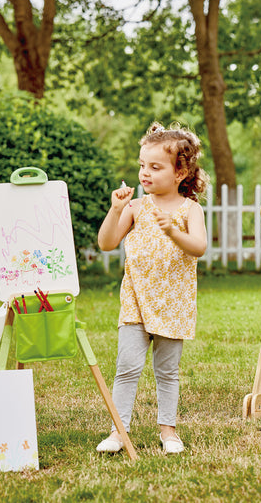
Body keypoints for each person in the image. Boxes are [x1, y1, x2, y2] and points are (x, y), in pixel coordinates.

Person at [95, 122, 208, 454]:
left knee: (167, 370)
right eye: (142, 165)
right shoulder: (136, 208)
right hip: (136, 300)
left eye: (155, 167)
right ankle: (119, 431)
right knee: (127, 366)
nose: (145, 173)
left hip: (173, 302)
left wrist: (173, 231)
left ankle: (168, 430)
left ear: (180, 172)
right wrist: (116, 209)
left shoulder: (190, 209)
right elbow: (106, 242)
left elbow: (199, 246)